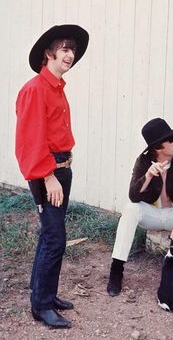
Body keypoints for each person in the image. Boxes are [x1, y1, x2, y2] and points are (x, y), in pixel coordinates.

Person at [15, 24, 89, 328]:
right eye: (64, 48)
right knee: (56, 237)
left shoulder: (57, 88)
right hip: (49, 173)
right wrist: (48, 176)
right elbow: (29, 142)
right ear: (49, 53)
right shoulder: (35, 89)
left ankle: (44, 292)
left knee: (51, 235)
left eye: (72, 49)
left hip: (61, 168)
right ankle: (41, 305)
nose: (70, 54)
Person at [107, 118, 173, 301]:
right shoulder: (144, 161)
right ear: (158, 147)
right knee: (130, 209)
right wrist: (147, 176)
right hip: (152, 214)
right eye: (171, 139)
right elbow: (133, 195)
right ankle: (116, 270)